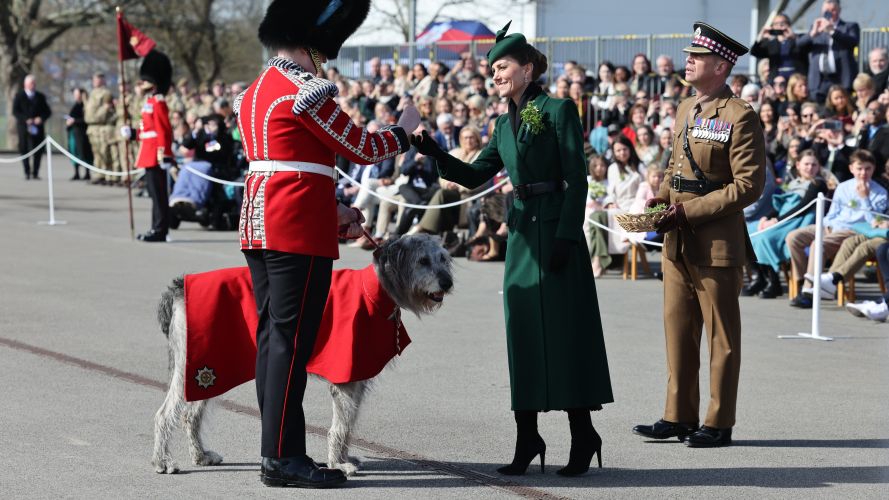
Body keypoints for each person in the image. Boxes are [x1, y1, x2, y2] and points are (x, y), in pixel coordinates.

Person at [412, 21, 614, 477]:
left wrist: (566, 235)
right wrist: (434, 151)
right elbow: (473, 175)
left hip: (556, 230)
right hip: (522, 234)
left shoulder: (560, 109)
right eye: (492, 70)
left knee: (565, 335)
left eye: (502, 67)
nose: (495, 75)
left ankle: (583, 433)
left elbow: (577, 177)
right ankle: (528, 436)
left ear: (527, 68)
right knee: (522, 335)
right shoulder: (503, 123)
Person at [236, 0, 417, 488]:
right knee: (292, 343)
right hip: (294, 228)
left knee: (274, 340)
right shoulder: (303, 90)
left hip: (263, 221)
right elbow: (359, 146)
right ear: (310, 47)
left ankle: (275, 451)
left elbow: (293, 161)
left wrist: (333, 209)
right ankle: (283, 457)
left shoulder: (255, 91)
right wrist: (405, 129)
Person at [632, 22, 766, 448]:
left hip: (716, 240)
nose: (688, 60)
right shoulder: (686, 107)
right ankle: (678, 415)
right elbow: (678, 170)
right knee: (678, 329)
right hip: (677, 238)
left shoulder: (739, 114)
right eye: (689, 54)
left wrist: (686, 211)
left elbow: (747, 185)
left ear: (722, 66)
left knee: (721, 337)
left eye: (698, 56)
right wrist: (659, 201)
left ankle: (718, 420)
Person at [787, 149, 887, 308]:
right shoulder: (844, 187)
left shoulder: (880, 193)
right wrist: (826, 225)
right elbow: (833, 212)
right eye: (859, 168)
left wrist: (865, 198)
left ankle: (808, 291)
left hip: (853, 230)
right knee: (794, 237)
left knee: (817, 245)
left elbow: (873, 222)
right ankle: (802, 280)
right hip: (832, 225)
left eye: (867, 168)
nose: (863, 173)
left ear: (873, 169)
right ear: (851, 168)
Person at [746, 149, 829, 299]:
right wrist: (766, 218)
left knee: (765, 238)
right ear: (798, 165)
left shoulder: (818, 184)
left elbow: (801, 208)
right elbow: (781, 205)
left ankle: (774, 281)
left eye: (814, 165)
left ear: (819, 167)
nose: (810, 168)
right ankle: (761, 277)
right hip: (784, 218)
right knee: (748, 233)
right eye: (806, 164)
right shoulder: (792, 183)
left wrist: (776, 221)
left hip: (799, 221)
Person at [131, 50, 174, 242]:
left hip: (156, 154)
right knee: (154, 195)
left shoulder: (158, 102)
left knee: (158, 195)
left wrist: (164, 153)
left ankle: (160, 229)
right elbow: (148, 129)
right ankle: (156, 227)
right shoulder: (149, 101)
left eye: (146, 80)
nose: (142, 83)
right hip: (147, 152)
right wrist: (134, 134)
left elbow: (163, 130)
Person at [797, 0, 860, 103]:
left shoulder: (849, 26)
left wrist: (832, 31)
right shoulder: (816, 28)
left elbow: (852, 42)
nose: (830, 13)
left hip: (841, 78)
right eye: (827, 10)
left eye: (833, 10)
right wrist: (812, 34)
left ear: (839, 10)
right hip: (820, 80)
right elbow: (799, 46)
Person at [12, 74, 51, 180]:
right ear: (25, 84)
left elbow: (47, 112)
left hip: (37, 128)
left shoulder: (40, 97)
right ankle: (27, 172)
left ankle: (35, 172)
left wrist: (40, 119)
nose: (33, 85)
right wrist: (25, 120)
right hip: (24, 128)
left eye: (34, 83)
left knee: (38, 150)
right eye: (30, 83)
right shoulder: (19, 96)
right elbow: (15, 111)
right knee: (24, 149)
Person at [750, 12, 807, 83]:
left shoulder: (799, 39)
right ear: (773, 27)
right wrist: (761, 36)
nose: (780, 26)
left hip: (796, 82)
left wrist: (794, 37)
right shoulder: (771, 44)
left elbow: (807, 48)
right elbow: (754, 52)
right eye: (776, 24)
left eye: (783, 23)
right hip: (777, 83)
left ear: (789, 24)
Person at [84, 72, 116, 185]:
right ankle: (98, 173)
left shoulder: (106, 93)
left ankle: (105, 174)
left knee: (103, 152)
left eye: (98, 79)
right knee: (96, 152)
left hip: (101, 127)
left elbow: (106, 110)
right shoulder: (92, 93)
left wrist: (96, 116)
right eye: (94, 79)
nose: (95, 81)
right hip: (92, 127)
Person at [66, 87, 92, 181]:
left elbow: (87, 119)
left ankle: (87, 173)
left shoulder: (86, 106)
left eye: (78, 95)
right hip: (74, 133)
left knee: (85, 153)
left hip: (83, 133)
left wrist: (75, 121)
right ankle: (76, 172)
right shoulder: (75, 106)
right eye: (75, 95)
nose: (76, 97)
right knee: (74, 152)